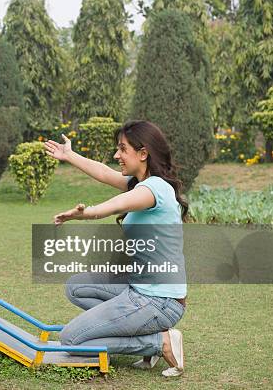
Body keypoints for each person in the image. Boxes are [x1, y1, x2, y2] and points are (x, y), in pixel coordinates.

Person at [44, 120, 187, 377]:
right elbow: (103, 172)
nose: (116, 155)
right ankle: (144, 336)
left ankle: (159, 343)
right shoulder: (141, 183)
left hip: (159, 301)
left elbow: (114, 205)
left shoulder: (154, 189)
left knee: (71, 340)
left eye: (122, 149)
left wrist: (85, 213)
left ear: (143, 154)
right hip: (139, 288)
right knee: (76, 287)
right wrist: (69, 155)